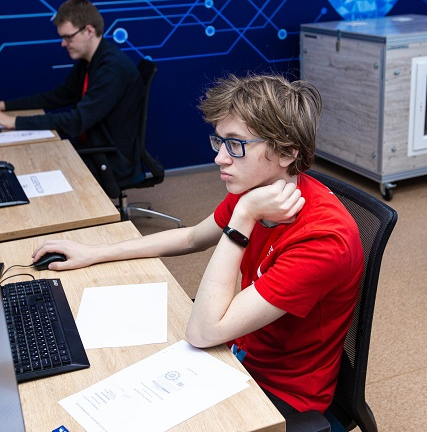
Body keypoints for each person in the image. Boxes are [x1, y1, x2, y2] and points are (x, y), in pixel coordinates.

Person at [30, 73, 364, 418]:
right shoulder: (260, 189)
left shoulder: (322, 239)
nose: (220, 158)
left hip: (280, 394)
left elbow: (204, 332)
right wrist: (95, 252)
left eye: (236, 144)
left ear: (286, 152)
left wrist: (244, 216)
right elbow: (191, 237)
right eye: (219, 142)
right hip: (236, 350)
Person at [0, 0, 145, 187]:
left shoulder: (111, 69)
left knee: (33, 166)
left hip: (110, 160)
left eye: (68, 37)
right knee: (30, 159)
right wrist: (2, 105)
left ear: (89, 31)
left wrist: (13, 122)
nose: (63, 43)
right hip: (94, 148)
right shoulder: (90, 60)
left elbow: (77, 121)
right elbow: (59, 96)